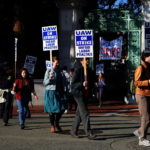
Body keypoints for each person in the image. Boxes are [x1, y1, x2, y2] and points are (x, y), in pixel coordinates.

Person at [70, 58, 96, 140]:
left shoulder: (90, 71)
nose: (87, 61)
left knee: (79, 114)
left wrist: (96, 84)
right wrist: (82, 84)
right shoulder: (78, 70)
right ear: (81, 61)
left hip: (85, 95)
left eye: (88, 59)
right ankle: (89, 133)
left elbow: (92, 82)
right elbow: (73, 85)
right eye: (85, 59)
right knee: (85, 113)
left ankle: (73, 131)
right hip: (78, 94)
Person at [43, 56, 65, 133]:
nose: (57, 64)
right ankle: (52, 125)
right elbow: (44, 83)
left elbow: (64, 82)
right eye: (56, 62)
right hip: (51, 92)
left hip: (59, 92)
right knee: (51, 111)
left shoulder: (61, 71)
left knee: (62, 108)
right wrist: (50, 79)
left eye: (58, 62)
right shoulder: (48, 71)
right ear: (52, 62)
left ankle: (57, 122)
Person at [133, 52, 150, 147]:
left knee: (148, 118)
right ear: (145, 57)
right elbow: (136, 82)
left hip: (148, 94)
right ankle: (142, 138)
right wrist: (148, 82)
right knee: (145, 117)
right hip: (141, 95)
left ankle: (139, 131)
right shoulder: (140, 67)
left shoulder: (148, 67)